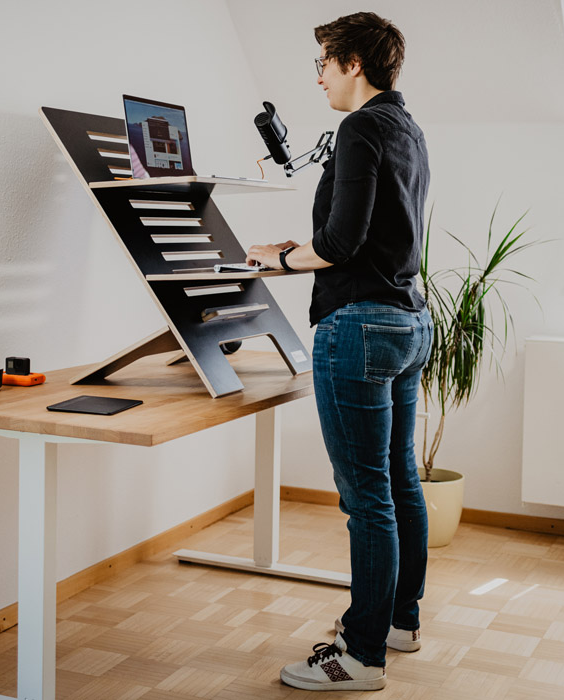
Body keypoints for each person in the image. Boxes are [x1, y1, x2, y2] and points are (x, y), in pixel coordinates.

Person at [245, 11, 431, 693]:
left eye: (324, 60)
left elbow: (342, 244)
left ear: (355, 63)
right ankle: (400, 623)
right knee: (399, 483)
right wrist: (298, 250)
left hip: (358, 328)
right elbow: (375, 233)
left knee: (368, 499)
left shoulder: (358, 127)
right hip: (408, 322)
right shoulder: (405, 126)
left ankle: (359, 658)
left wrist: (278, 261)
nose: (318, 74)